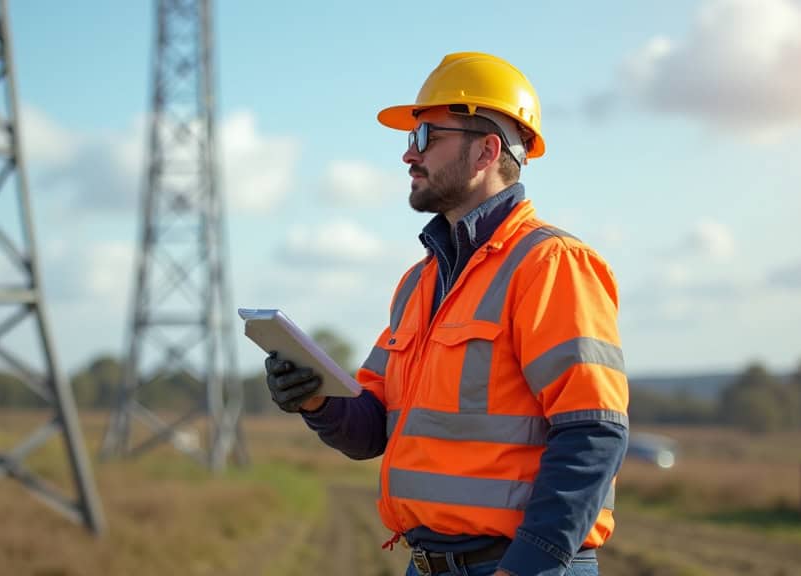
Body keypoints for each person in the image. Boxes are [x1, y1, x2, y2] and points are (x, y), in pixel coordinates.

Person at [265, 52, 629, 576]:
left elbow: (593, 432)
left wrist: (528, 565)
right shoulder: (421, 282)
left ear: (486, 151)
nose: (408, 157)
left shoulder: (552, 265)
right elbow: (374, 431)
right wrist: (317, 397)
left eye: (425, 138)